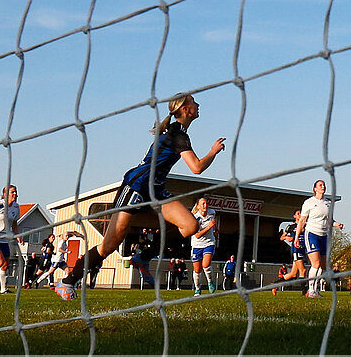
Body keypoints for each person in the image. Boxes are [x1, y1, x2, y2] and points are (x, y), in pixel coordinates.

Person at [57, 92, 226, 299]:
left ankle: (143, 258)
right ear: (184, 109)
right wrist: (213, 152)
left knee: (190, 225)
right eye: (193, 102)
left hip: (155, 189)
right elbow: (197, 167)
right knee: (109, 245)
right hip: (137, 186)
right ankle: (67, 281)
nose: (198, 104)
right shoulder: (176, 135)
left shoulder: (178, 133)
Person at [300, 180, 343, 298]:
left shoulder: (328, 203)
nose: (323, 186)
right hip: (312, 234)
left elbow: (330, 220)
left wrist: (336, 224)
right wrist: (296, 237)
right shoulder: (309, 202)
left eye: (324, 185)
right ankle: (311, 290)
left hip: (324, 236)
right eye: (320, 185)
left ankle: (315, 289)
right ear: (315, 189)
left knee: (322, 266)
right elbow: (302, 221)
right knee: (316, 263)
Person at [190, 198, 218, 295]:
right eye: (203, 204)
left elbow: (214, 222)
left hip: (209, 243)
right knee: (197, 270)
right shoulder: (195, 218)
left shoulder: (212, 212)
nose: (205, 205)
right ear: (198, 206)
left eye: (206, 203)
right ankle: (198, 289)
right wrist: (209, 226)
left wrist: (215, 229)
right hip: (197, 245)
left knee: (205, 265)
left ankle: (210, 282)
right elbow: (197, 235)